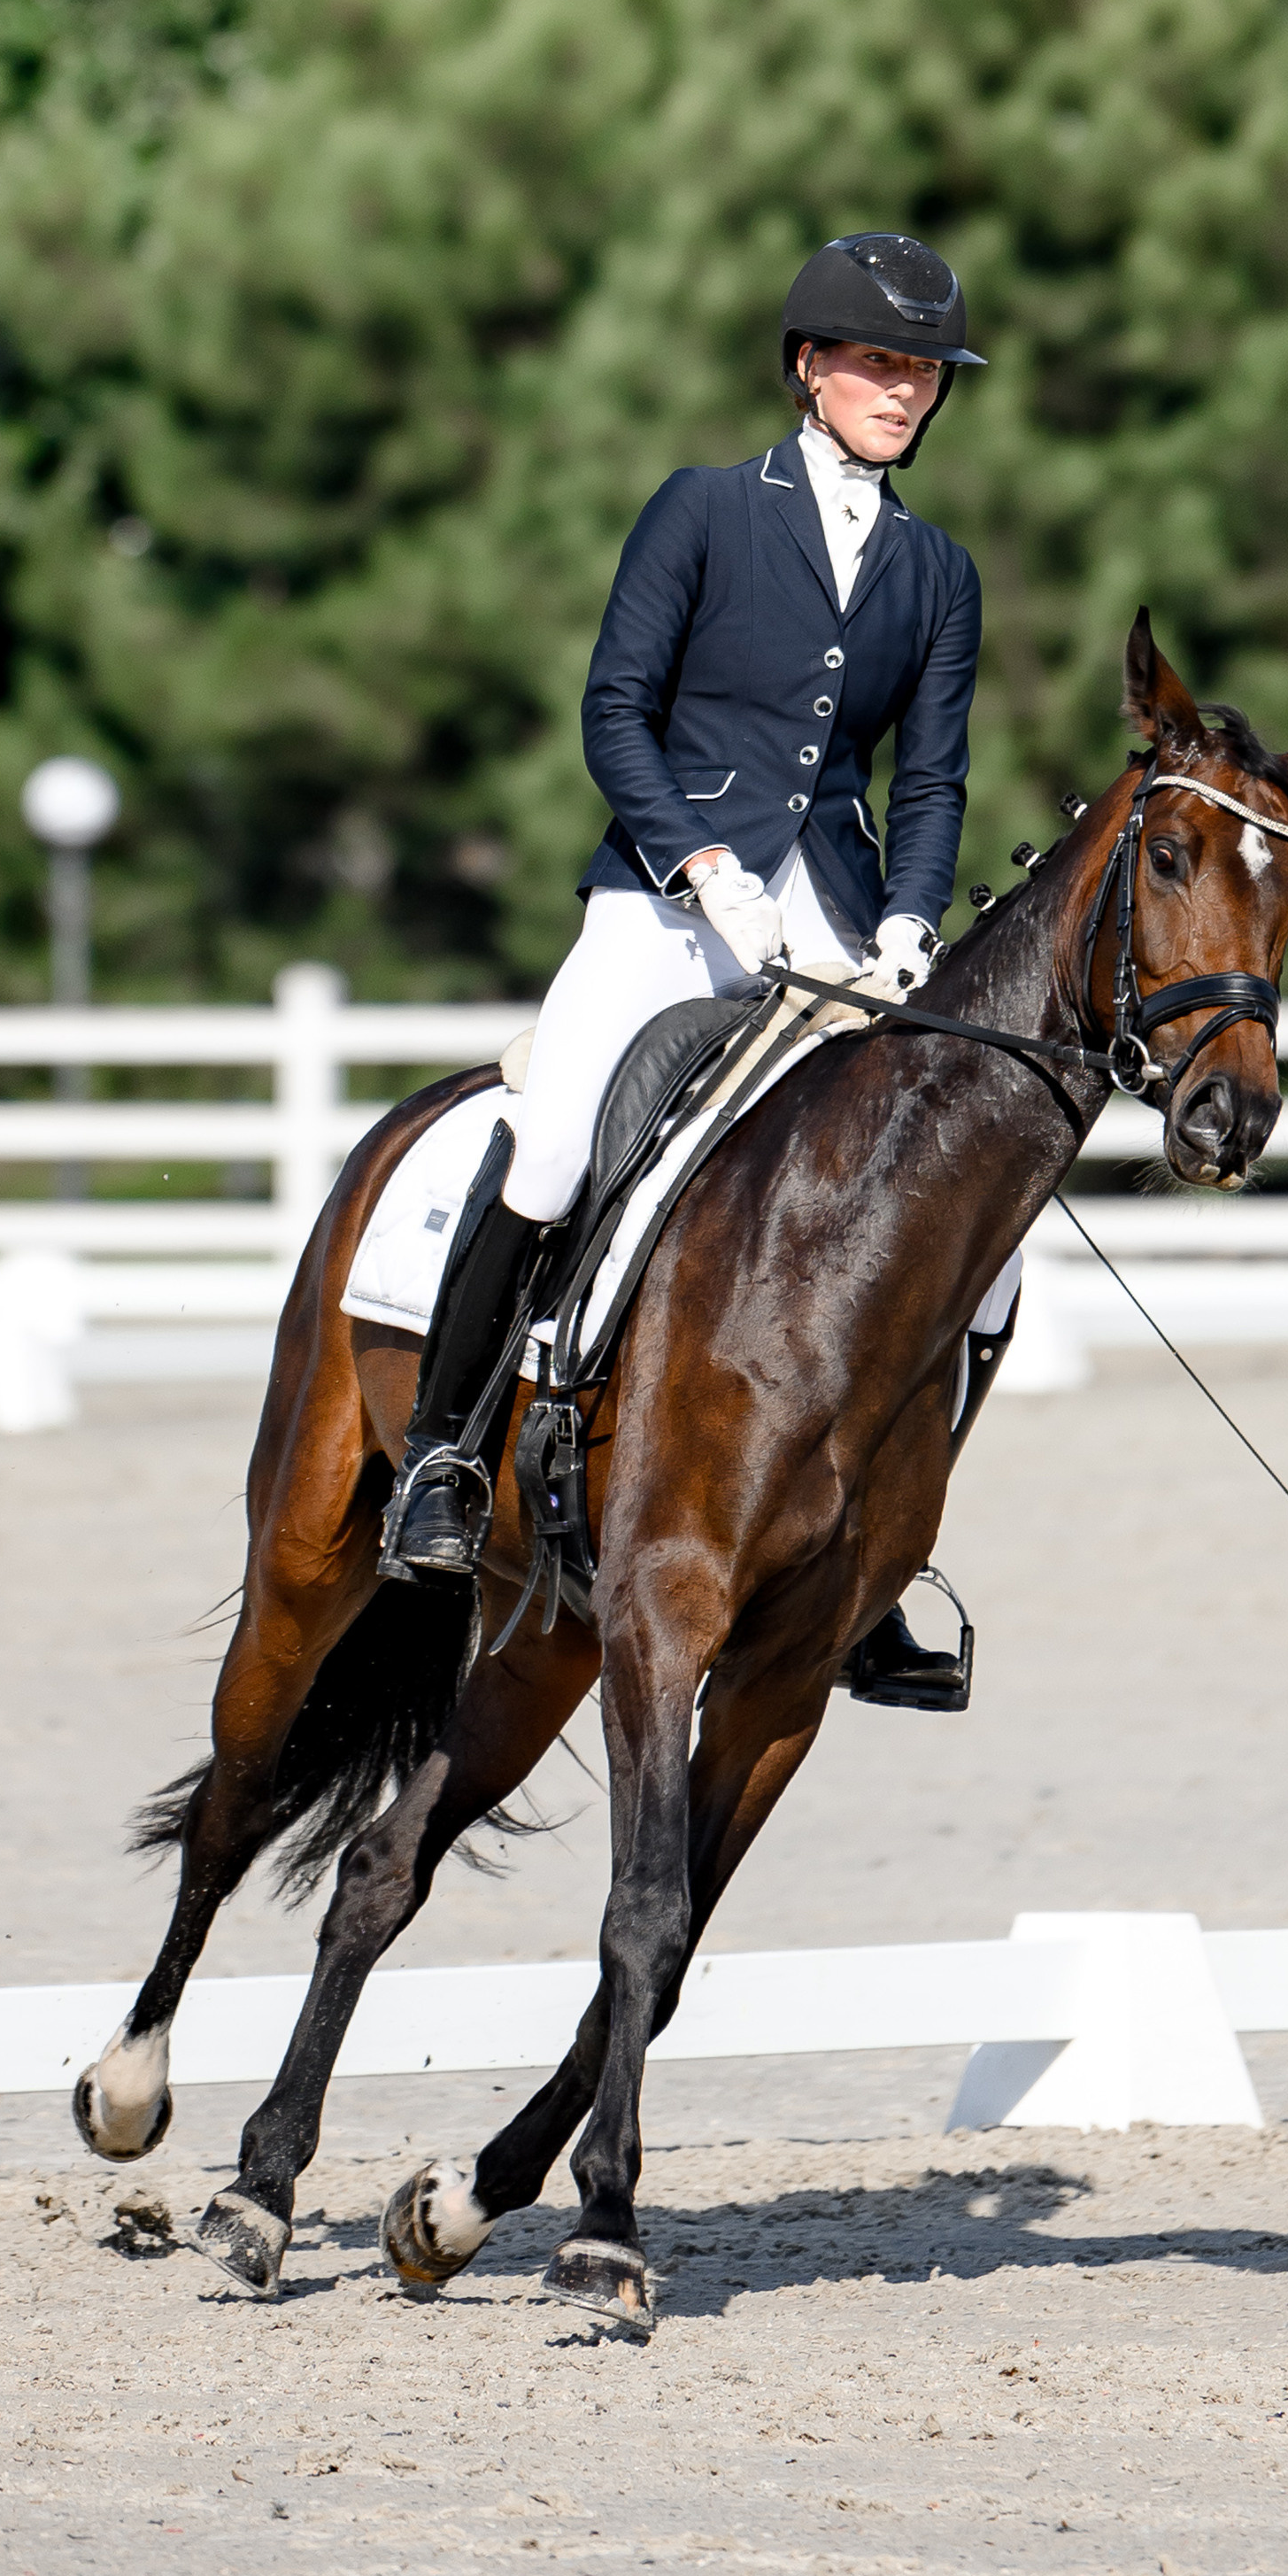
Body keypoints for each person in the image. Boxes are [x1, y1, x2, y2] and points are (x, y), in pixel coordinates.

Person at [379, 231, 987, 1587]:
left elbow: (931, 775)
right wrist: (702, 866)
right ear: (808, 367)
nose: (903, 391)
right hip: (667, 904)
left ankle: (875, 1544)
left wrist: (908, 924)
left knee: (943, 1208)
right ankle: (441, 1455)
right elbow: (616, 714)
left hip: (833, 915)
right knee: (550, 1155)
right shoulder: (705, 510)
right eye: (880, 363)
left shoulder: (939, 571)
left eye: (926, 372)